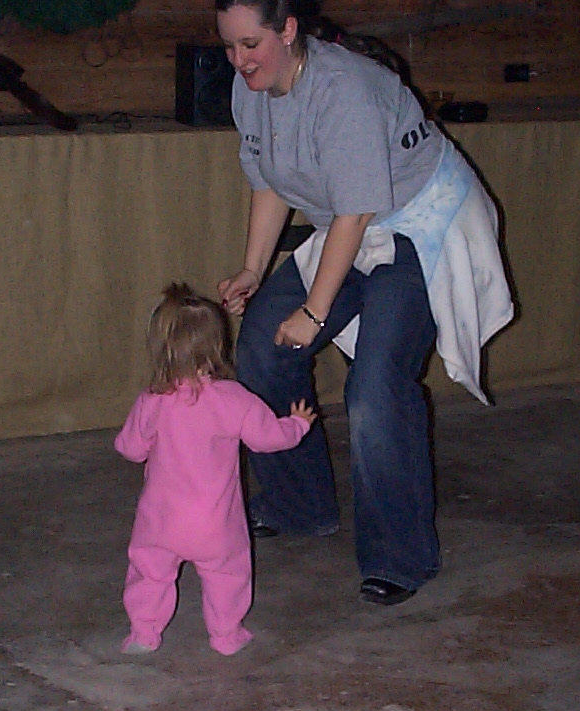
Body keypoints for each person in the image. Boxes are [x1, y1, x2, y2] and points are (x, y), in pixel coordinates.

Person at [215, 0, 514, 606]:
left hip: (418, 223)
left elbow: (356, 214)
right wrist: (253, 268)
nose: (239, 60)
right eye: (229, 46)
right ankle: (298, 505)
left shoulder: (345, 91)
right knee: (262, 349)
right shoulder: (252, 89)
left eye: (250, 44)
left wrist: (314, 313)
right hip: (349, 226)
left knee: (375, 389)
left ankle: (401, 557)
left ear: (287, 30)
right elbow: (270, 181)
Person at [114, 284, 317, 655]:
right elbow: (268, 438)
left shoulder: (152, 401)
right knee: (227, 574)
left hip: (160, 521)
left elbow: (130, 449)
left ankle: (143, 633)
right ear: (217, 346)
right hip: (215, 524)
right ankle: (226, 635)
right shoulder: (233, 398)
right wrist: (297, 425)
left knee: (149, 572)